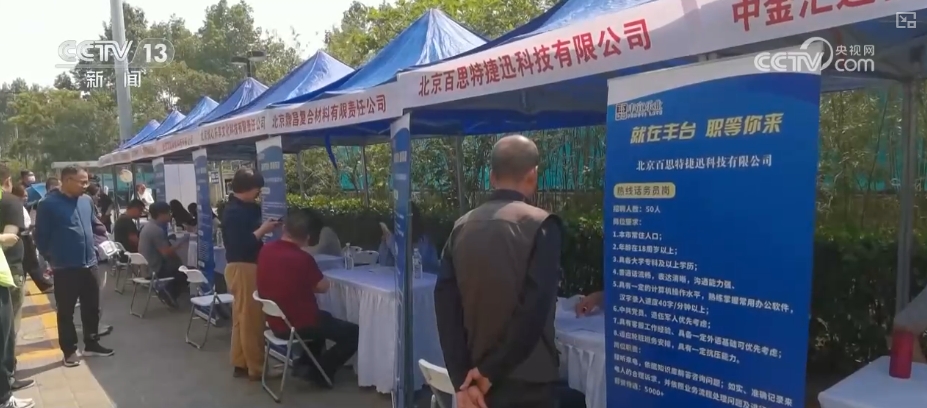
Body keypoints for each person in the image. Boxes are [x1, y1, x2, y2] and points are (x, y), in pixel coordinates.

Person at [435, 135, 562, 408]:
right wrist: (488, 373)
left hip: (474, 382)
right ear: (533, 175)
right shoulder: (542, 225)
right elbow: (534, 311)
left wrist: (461, 380)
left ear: (492, 177)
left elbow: (446, 309)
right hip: (527, 380)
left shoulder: (461, 227)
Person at [257, 209, 358, 387]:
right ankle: (320, 371)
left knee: (324, 318)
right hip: (297, 324)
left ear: (284, 229)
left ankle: (304, 364)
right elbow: (323, 287)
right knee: (353, 333)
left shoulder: (266, 250)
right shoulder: (302, 258)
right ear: (308, 237)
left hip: (275, 322)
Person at [35, 166, 114, 368]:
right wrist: (52, 258)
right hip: (65, 267)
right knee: (66, 311)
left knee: (92, 307)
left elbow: (95, 224)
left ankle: (92, 343)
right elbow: (41, 237)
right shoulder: (48, 205)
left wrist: (104, 241)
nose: (86, 186)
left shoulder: (86, 201)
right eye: (82, 182)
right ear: (67, 180)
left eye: (87, 181)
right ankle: (69, 351)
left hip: (90, 264)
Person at [222, 168, 279, 380]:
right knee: (252, 320)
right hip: (244, 266)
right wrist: (263, 230)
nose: (258, 194)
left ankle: (241, 362)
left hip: (241, 266)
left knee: (241, 318)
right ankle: (257, 367)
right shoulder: (234, 213)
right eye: (257, 189)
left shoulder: (241, 208)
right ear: (248, 188)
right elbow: (242, 244)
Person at [0, 169, 35, 397]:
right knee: (9, 328)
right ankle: (7, 378)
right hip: (9, 271)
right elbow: (10, 239)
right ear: (7, 181)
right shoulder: (10, 202)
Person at [137, 202, 189, 308]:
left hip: (146, 267)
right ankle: (169, 294)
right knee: (186, 271)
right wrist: (179, 245)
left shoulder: (147, 227)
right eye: (169, 213)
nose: (170, 216)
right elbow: (166, 252)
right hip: (155, 269)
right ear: (161, 214)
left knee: (179, 266)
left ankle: (169, 293)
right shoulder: (156, 230)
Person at [9, 187, 50, 294]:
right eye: (24, 196)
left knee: (24, 264)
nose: (26, 198)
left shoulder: (21, 206)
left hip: (25, 235)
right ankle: (44, 286)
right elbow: (22, 224)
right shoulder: (16, 207)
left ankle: (20, 287)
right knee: (32, 263)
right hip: (23, 237)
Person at [378, 202, 439, 272]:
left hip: (426, 277)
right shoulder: (395, 235)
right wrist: (385, 245)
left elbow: (411, 267)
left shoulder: (423, 240)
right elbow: (384, 264)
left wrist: (391, 242)